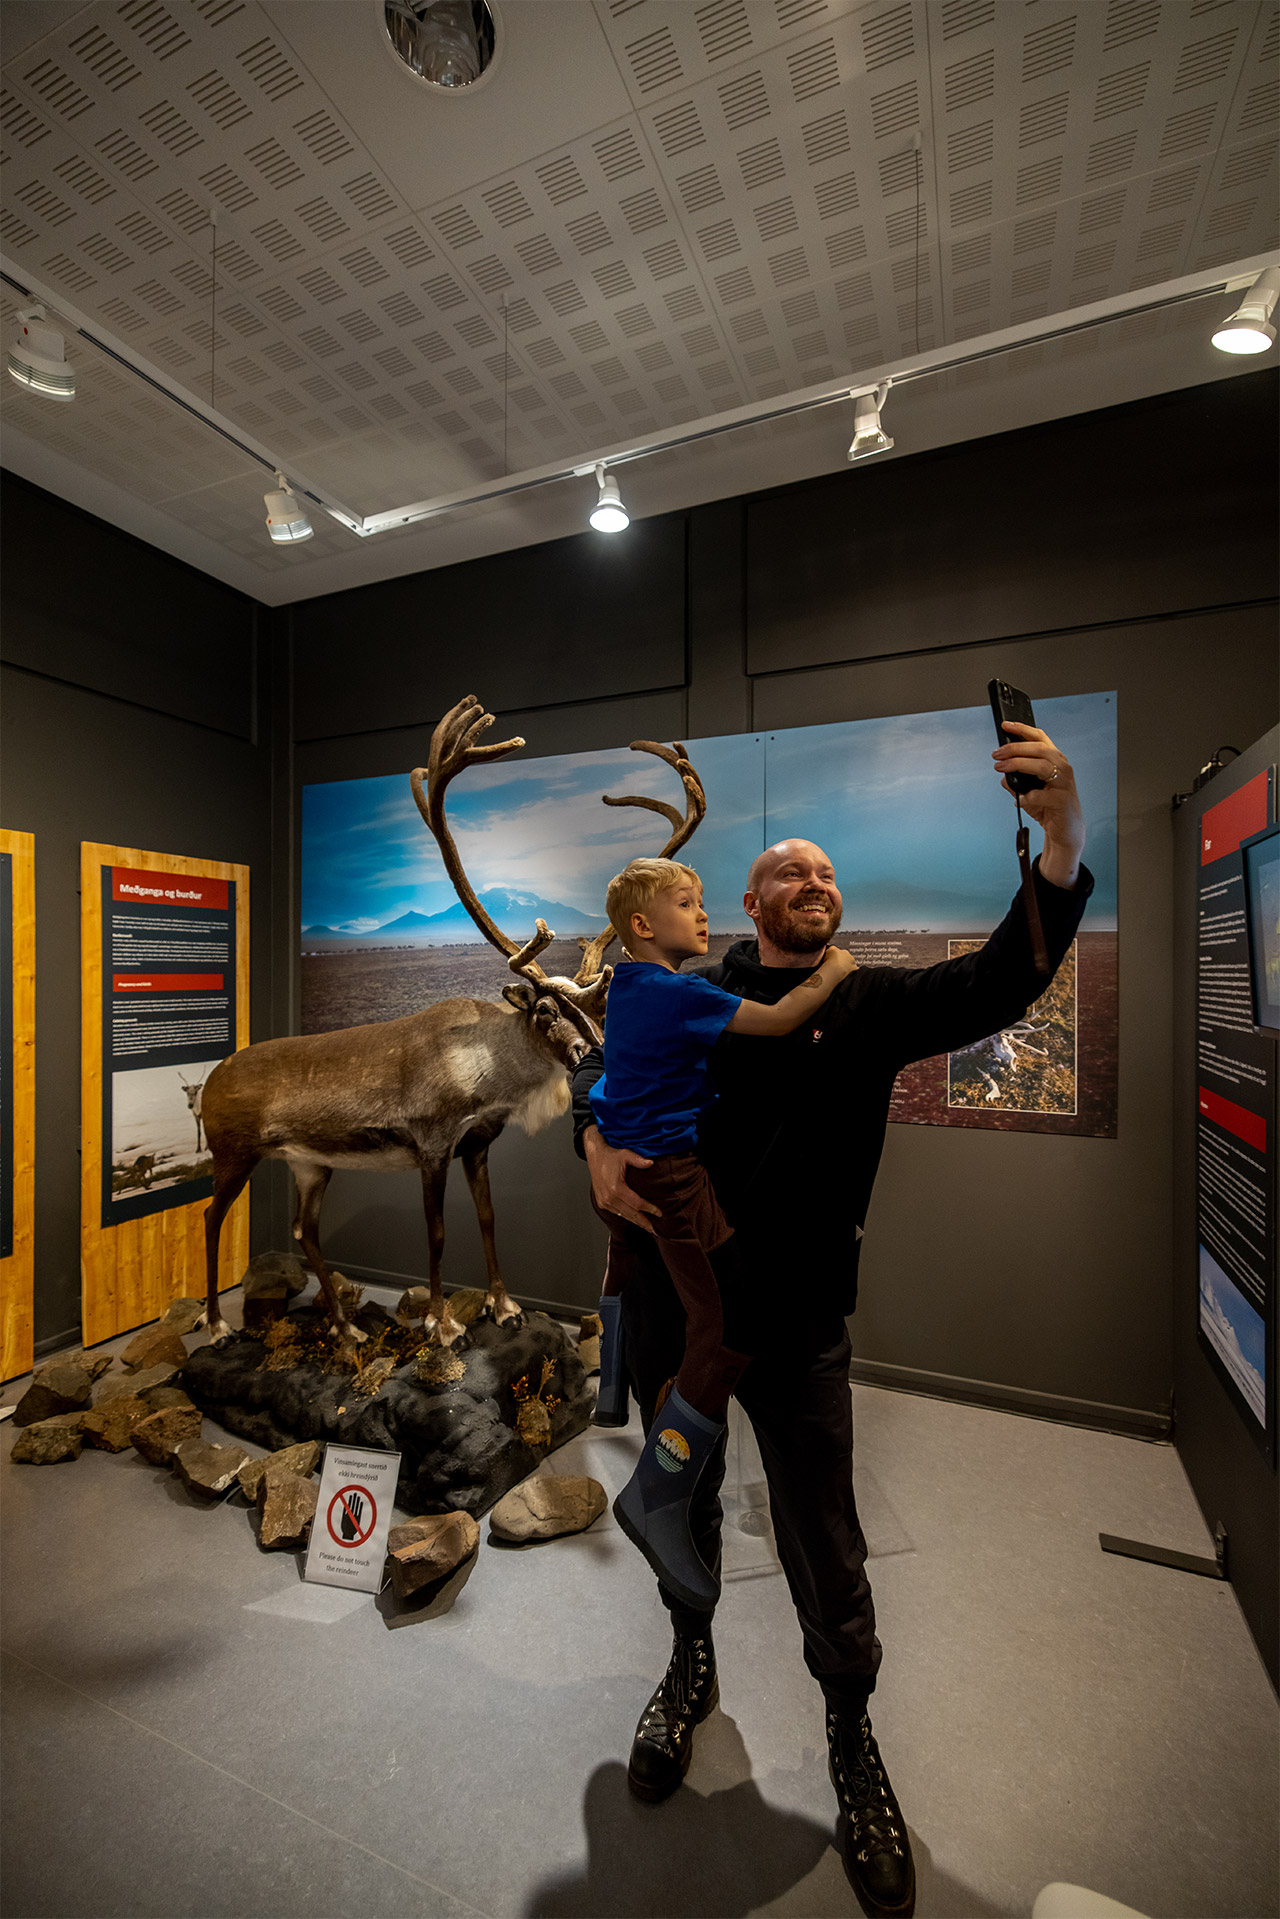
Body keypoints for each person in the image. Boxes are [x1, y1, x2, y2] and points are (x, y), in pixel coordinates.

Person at [573, 720, 1092, 1919]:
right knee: (678, 1499)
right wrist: (597, 1144)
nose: (815, 885)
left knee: (823, 1532)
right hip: (676, 1304)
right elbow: (600, 1088)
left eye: (826, 875)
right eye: (789, 875)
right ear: (748, 904)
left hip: (797, 1317)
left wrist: (1060, 830)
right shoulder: (682, 991)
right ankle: (686, 1660)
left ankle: (850, 1737)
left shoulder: (866, 1003)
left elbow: (1002, 975)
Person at [588, 855, 855, 1613]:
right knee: (728, 1320)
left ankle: (614, 1386)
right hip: (674, 1176)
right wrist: (833, 969)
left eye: (703, 901)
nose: (704, 916)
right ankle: (659, 1489)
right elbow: (775, 1021)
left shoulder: (626, 986)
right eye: (687, 902)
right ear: (643, 925)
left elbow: (610, 1072)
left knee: (630, 1261)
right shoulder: (677, 993)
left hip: (637, 1171)